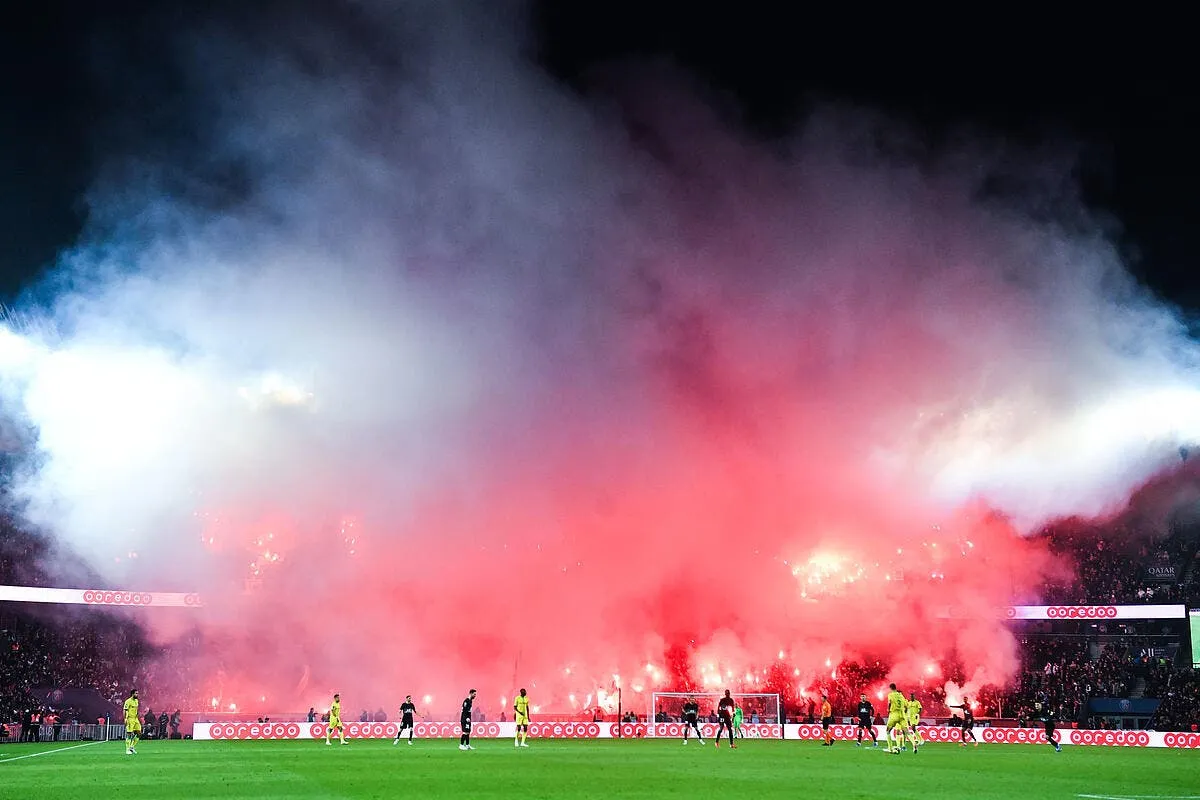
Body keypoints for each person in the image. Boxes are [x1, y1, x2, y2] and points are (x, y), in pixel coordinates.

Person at [885, 684, 907, 753]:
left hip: (894, 715)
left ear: (890, 688)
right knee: (903, 731)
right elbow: (906, 707)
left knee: (888, 731)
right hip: (902, 716)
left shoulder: (891, 695)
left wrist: (888, 709)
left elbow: (889, 703)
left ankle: (891, 748)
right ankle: (901, 746)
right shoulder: (902, 697)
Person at [123, 689, 141, 756]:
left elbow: (136, 710)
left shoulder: (136, 701)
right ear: (132, 694)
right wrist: (125, 719)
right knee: (129, 734)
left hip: (136, 719)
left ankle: (131, 747)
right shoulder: (128, 701)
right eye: (136, 693)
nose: (137, 695)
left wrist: (138, 716)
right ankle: (127, 750)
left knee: (139, 733)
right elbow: (124, 710)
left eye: (137, 693)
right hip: (130, 719)